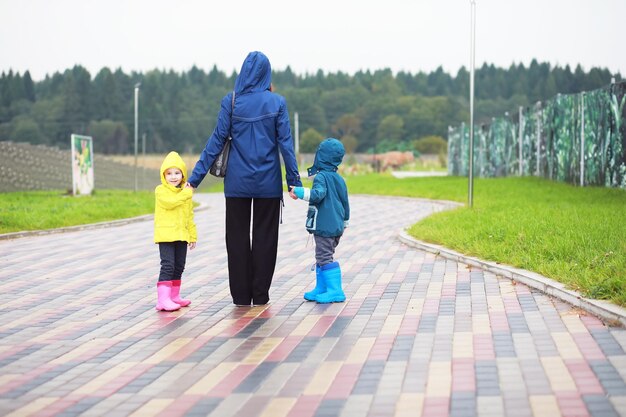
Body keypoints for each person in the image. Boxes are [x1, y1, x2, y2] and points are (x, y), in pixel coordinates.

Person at [187, 51, 302, 307]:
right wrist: (294, 181)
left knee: (237, 238)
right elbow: (286, 145)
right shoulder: (277, 103)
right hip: (268, 184)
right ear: (267, 74)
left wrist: (194, 180)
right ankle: (260, 295)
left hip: (237, 184)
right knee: (265, 238)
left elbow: (216, 141)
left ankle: (240, 297)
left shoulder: (232, 101)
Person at [290, 138, 350, 303]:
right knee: (323, 255)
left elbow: (318, 194)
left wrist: (300, 192)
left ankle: (335, 291)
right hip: (336, 225)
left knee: (324, 256)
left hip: (325, 225)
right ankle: (322, 288)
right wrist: (345, 222)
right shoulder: (339, 179)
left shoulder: (321, 177)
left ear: (320, 157)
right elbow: (345, 202)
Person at [154, 151, 197, 311]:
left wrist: (192, 235)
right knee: (168, 265)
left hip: (181, 235)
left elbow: (189, 216)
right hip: (166, 236)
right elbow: (170, 203)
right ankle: (162, 300)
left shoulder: (184, 194)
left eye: (177, 173)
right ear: (163, 175)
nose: (173, 177)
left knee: (179, 265)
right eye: (169, 173)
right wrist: (186, 193)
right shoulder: (161, 191)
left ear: (183, 175)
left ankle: (174, 296)